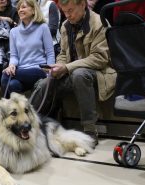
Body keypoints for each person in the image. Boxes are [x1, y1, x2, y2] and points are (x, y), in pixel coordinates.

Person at [40, 0, 116, 145]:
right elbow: (63, 54)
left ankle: (90, 131)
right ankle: (33, 124)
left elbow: (99, 59)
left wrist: (67, 67)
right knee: (45, 82)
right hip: (74, 73)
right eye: (64, 12)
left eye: (70, 10)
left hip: (101, 74)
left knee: (79, 74)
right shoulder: (65, 26)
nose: (67, 15)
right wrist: (58, 67)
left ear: (82, 4)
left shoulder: (99, 22)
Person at [1, 0, 55, 98]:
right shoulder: (14, 32)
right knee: (13, 85)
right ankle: (21, 111)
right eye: (19, 8)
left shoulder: (43, 27)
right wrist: (12, 65)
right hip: (21, 71)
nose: (20, 10)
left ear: (33, 10)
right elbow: (14, 56)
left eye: (24, 7)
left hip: (39, 70)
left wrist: (50, 74)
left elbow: (50, 53)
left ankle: (2, 109)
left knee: (5, 75)